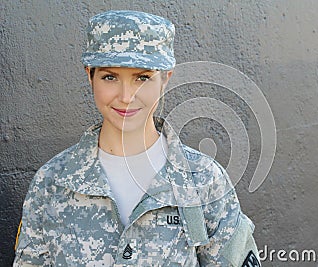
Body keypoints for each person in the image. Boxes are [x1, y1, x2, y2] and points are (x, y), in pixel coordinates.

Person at [13, 10, 261, 266]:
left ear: (166, 79)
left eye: (142, 78)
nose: (126, 95)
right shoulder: (52, 183)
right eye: (110, 77)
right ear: (90, 75)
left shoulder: (204, 180)